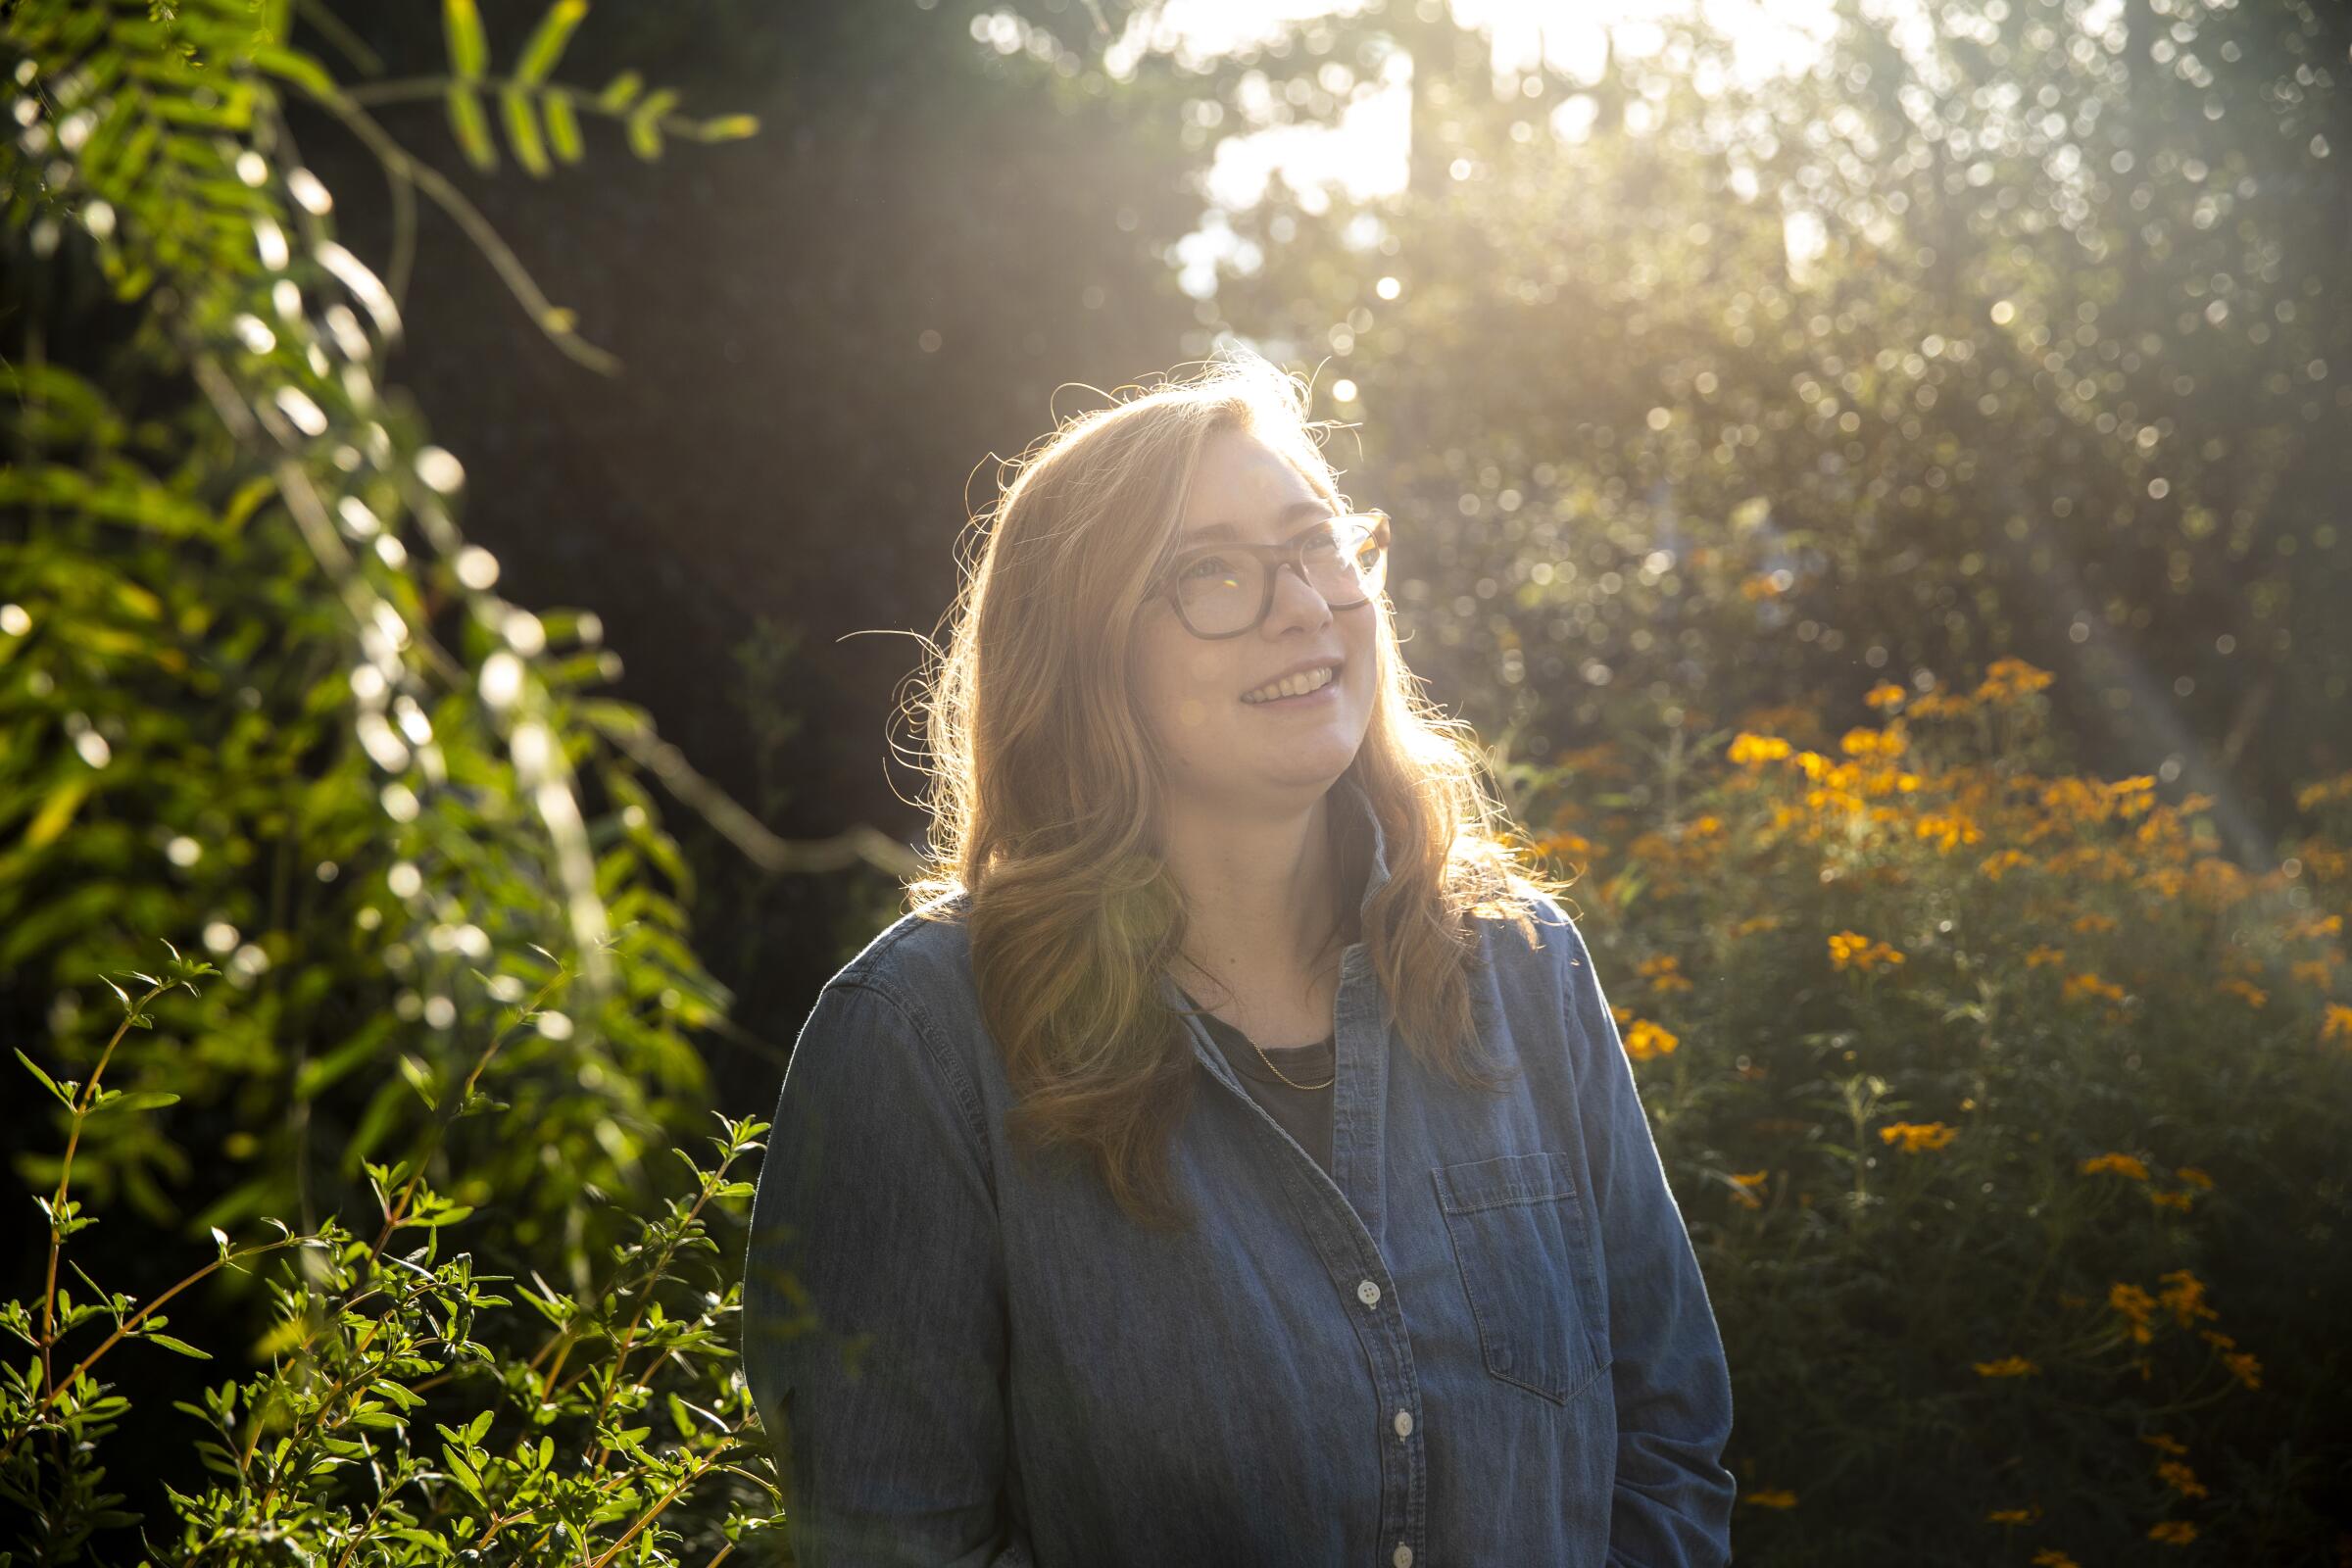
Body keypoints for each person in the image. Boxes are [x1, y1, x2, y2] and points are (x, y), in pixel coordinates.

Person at [743, 352, 1736, 1566]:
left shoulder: (1524, 969)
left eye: (1319, 545)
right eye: (1211, 572)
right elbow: (897, 1544)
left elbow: (1670, 1445)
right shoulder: (921, 1043)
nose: (1305, 604)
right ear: (1083, 654)